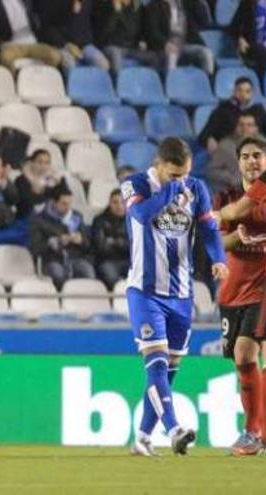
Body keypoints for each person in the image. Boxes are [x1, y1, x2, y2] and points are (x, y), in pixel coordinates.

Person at [121, 137, 227, 457]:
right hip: (145, 291)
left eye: (185, 174)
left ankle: (141, 437)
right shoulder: (135, 183)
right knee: (155, 363)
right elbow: (141, 215)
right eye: (174, 174)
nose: (181, 180)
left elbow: (208, 228)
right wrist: (169, 191)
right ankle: (174, 429)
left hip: (181, 294)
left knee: (169, 371)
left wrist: (219, 257)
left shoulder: (197, 188)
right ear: (158, 164)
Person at [212, 135, 266, 456]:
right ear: (238, 161)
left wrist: (231, 221)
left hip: (264, 287)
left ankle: (252, 432)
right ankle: (257, 430)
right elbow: (217, 244)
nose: (252, 161)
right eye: (246, 156)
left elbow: (233, 213)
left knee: (248, 353)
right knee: (243, 362)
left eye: (258, 155)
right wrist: (237, 235)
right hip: (234, 292)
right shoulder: (224, 196)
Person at [28, 182, 96, 289]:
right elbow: (35, 248)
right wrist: (53, 242)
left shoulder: (77, 217)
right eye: (64, 203)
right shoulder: (40, 220)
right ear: (54, 202)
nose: (68, 207)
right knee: (59, 275)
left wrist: (81, 240)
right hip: (52, 260)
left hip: (75, 257)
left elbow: (88, 244)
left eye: (70, 203)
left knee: (88, 272)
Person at [0, 0, 62, 71]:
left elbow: (41, 20)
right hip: (12, 45)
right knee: (6, 58)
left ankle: (42, 83)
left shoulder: (28, 2)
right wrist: (0, 44)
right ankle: (13, 85)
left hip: (33, 43)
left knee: (54, 56)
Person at [142, 0, 214, 74]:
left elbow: (192, 30)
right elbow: (152, 32)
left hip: (183, 45)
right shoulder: (154, 6)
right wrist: (165, 44)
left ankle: (207, 81)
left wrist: (202, 45)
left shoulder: (183, 5)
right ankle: (171, 81)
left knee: (206, 53)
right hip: (164, 46)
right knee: (172, 54)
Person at [36, 0, 111, 71]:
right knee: (70, 64)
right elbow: (48, 28)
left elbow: (98, 20)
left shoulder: (88, 2)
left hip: (84, 45)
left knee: (103, 64)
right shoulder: (55, 2)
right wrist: (67, 44)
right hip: (62, 45)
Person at [198, 77, 266, 153]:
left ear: (252, 93)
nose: (243, 94)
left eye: (247, 91)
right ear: (234, 91)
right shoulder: (223, 109)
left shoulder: (258, 110)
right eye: (240, 90)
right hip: (229, 148)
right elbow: (205, 133)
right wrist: (209, 139)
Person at [93, 0, 161, 72]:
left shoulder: (136, 7)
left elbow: (137, 28)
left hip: (131, 48)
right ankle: (117, 82)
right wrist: (116, 12)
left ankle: (147, 81)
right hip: (112, 46)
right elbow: (106, 31)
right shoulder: (106, 5)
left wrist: (142, 40)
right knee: (116, 55)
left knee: (153, 57)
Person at [206, 113, 260, 194]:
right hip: (236, 191)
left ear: (256, 129)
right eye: (241, 125)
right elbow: (211, 171)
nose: (245, 128)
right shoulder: (225, 146)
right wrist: (231, 178)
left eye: (249, 125)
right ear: (235, 127)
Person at [91, 189, 129, 288]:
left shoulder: (132, 220)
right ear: (109, 203)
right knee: (111, 277)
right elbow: (101, 248)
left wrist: (114, 242)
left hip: (128, 260)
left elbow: (136, 247)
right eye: (115, 202)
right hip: (107, 261)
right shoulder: (99, 221)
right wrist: (122, 243)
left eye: (122, 202)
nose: (119, 206)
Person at [15, 148, 66, 218]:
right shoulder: (21, 180)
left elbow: (65, 198)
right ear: (32, 163)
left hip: (52, 217)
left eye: (47, 163)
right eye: (40, 162)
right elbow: (31, 201)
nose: (43, 166)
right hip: (28, 218)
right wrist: (50, 190)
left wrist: (59, 182)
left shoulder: (54, 179)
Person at [228, 0, 266, 76]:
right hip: (252, 45)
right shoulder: (248, 3)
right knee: (261, 51)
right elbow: (233, 27)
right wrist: (240, 38)